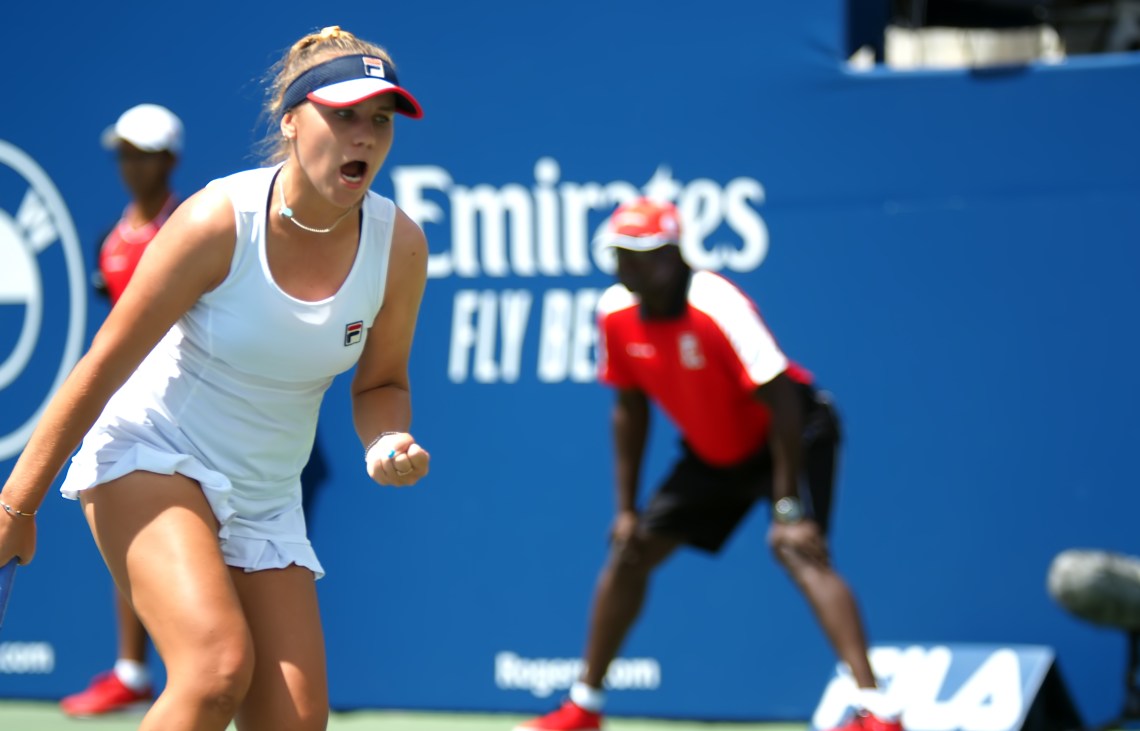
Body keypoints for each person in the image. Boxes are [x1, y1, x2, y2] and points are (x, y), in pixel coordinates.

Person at [0, 25, 430, 731]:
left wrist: (386, 440)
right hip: (153, 451)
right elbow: (104, 361)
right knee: (214, 670)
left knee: (296, 722)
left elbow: (382, 383)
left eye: (380, 120)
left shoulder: (399, 245)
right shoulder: (216, 221)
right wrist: (16, 507)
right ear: (291, 121)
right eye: (343, 115)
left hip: (265, 493)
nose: (365, 136)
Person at [515, 198, 903, 731]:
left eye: (640, 255)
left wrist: (787, 507)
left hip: (792, 434)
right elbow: (629, 407)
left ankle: (879, 712)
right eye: (620, 255)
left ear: (672, 256)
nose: (626, 266)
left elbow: (783, 401)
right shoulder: (614, 312)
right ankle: (584, 708)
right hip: (715, 453)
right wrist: (626, 509)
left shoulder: (718, 304)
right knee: (631, 553)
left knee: (798, 550)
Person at [59, 102, 183, 718]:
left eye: (142, 155)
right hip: (130, 411)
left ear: (168, 161)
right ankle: (132, 671)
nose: (130, 166)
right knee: (131, 538)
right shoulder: (111, 236)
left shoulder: (188, 227)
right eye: (124, 155)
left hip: (190, 407)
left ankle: (199, 673)